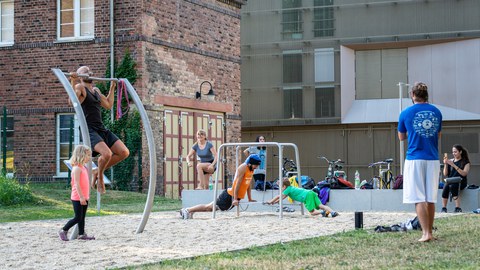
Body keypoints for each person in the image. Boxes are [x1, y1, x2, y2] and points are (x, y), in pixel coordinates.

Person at [70, 66, 130, 193]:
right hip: (89, 129)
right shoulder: (80, 88)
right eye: (85, 71)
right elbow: (72, 102)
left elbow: (108, 105)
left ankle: (97, 170)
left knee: (124, 152)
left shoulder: (95, 90)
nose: (89, 72)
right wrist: (72, 81)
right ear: (80, 76)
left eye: (90, 70)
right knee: (107, 153)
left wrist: (112, 87)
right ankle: (100, 178)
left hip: (100, 128)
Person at [398, 82, 442, 242]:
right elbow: (438, 135)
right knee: (430, 198)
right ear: (426, 95)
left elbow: (401, 137)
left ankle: (425, 234)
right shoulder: (437, 112)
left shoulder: (405, 113)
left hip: (415, 158)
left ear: (412, 95)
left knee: (418, 197)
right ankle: (430, 231)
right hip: (433, 158)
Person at [179, 154, 260, 219]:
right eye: (255, 165)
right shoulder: (243, 167)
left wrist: (250, 198)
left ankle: (191, 211)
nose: (256, 167)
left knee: (210, 208)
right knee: (209, 208)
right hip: (229, 195)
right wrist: (235, 199)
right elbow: (237, 184)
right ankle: (187, 210)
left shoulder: (251, 170)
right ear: (250, 163)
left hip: (234, 196)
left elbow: (247, 184)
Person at [58, 145, 96, 241]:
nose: (89, 157)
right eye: (88, 155)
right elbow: (76, 184)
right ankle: (63, 230)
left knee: (82, 217)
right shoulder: (76, 168)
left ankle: (82, 234)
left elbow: (91, 174)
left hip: (84, 196)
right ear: (81, 155)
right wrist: (81, 197)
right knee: (78, 217)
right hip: (78, 197)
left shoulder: (83, 167)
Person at [266, 178, 339, 217]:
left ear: (284, 186)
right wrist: (275, 202)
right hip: (311, 192)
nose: (279, 188)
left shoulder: (287, 189)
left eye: (280, 186)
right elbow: (282, 198)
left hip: (306, 196)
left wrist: (270, 201)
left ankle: (323, 212)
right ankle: (333, 212)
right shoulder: (290, 189)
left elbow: (279, 196)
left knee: (312, 212)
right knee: (321, 205)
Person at [441, 144, 470, 213]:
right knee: (446, 187)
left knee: (454, 186)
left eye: (455, 152)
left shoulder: (466, 162)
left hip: (461, 181)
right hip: (450, 180)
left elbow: (464, 173)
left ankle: (458, 207)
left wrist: (453, 165)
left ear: (460, 152)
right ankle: (444, 208)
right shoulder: (450, 161)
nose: (454, 153)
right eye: (453, 152)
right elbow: (445, 174)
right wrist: (445, 164)